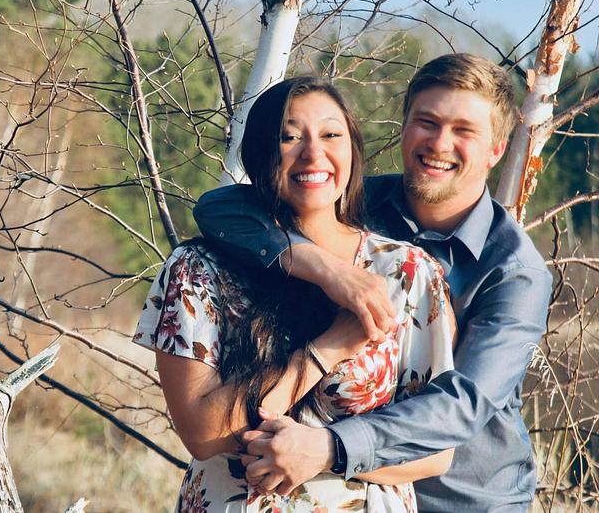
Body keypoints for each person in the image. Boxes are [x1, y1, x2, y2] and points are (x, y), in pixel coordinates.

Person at [193, 54, 553, 512]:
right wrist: (325, 268)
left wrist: (328, 447)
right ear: (404, 127)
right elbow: (219, 208)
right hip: (346, 493)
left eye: (464, 130)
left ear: (495, 150)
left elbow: (460, 406)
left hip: (462, 500)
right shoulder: (354, 205)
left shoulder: (514, 272)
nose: (440, 143)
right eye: (427, 122)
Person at [134, 77, 457, 512]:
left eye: (331, 135)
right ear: (260, 153)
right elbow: (203, 434)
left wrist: (326, 450)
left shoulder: (406, 272)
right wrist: (327, 350)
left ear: (353, 150)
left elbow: (436, 449)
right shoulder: (199, 269)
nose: (313, 153)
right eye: (289, 137)